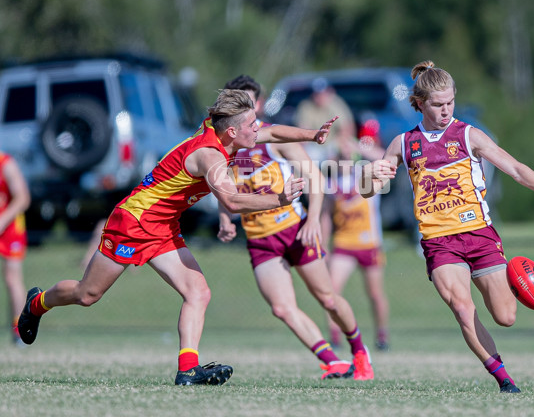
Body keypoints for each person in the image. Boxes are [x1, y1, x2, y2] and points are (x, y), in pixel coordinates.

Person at [17, 88, 338, 386]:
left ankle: (187, 370)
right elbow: (233, 202)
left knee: (198, 291)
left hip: (162, 227)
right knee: (87, 295)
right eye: (253, 123)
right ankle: (37, 303)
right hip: (133, 222)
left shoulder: (226, 133)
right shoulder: (210, 156)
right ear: (232, 132)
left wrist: (313, 136)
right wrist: (280, 199)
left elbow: (274, 132)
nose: (259, 128)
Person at [360, 60, 534, 393]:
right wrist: (371, 175)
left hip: (479, 234)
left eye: (450, 102)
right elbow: (366, 189)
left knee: (506, 316)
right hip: (439, 242)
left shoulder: (468, 134)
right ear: (420, 104)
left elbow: (517, 170)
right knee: (463, 309)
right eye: (438, 105)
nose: (446, 110)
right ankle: (504, 380)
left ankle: (516, 271)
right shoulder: (404, 143)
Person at [217, 75, 374, 380]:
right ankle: (333, 361)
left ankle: (359, 351)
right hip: (260, 239)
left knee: (327, 299)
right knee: (281, 308)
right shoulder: (225, 146)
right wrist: (225, 219)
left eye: (247, 102)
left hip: (293, 229)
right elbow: (225, 190)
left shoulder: (274, 139)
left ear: (258, 105)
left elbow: (315, 179)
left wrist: (313, 219)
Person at [321, 126, 390, 352]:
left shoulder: (367, 174)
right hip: (343, 244)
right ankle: (335, 337)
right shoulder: (332, 184)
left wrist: (357, 145)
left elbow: (386, 158)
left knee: (375, 294)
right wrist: (323, 247)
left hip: (369, 244)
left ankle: (382, 335)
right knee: (331, 293)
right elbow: (326, 218)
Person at [0, 151, 31, 346]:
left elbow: (23, 198)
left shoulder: (6, 163)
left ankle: (19, 331)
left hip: (9, 226)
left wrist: (2, 221)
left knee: (12, 278)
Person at [295, 77, 356, 163]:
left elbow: (347, 129)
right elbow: (303, 133)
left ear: (329, 92)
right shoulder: (306, 106)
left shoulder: (336, 104)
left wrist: (336, 147)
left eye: (323, 93)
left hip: (334, 143)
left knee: (347, 147)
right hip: (315, 145)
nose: (320, 96)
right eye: (317, 93)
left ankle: (345, 175)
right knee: (299, 153)